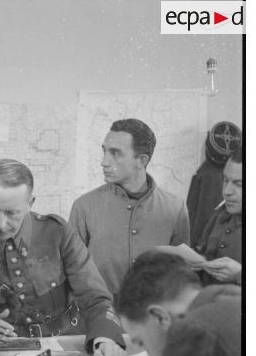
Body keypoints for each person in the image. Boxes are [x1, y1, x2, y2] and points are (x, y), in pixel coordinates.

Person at [0, 158, 126, 356]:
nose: (1, 224)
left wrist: (105, 339)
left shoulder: (57, 233)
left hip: (68, 345)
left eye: (12, 212)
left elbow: (95, 297)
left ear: (30, 203)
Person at [69, 118, 190, 297]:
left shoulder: (175, 208)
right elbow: (72, 272)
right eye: (104, 151)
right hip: (100, 319)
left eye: (115, 153)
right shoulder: (84, 207)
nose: (104, 161)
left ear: (141, 160)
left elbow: (182, 274)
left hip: (154, 317)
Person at [195, 145, 243, 285]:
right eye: (225, 180)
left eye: (239, 184)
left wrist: (239, 275)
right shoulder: (220, 215)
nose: (227, 191)